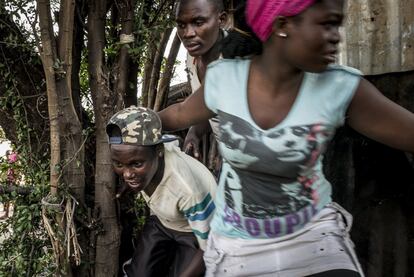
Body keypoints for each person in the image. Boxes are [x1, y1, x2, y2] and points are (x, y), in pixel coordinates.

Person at [159, 0, 414, 276]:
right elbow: (182, 113)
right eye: (326, 24)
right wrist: (138, 121)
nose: (336, 36)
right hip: (240, 244)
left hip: (312, 235)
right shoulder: (226, 79)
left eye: (337, 25)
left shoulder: (341, 88)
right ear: (282, 25)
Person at [106, 106, 217, 277]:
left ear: (158, 152)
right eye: (119, 165)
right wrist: (130, 183)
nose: (127, 174)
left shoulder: (187, 190)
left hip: (192, 231)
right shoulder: (150, 153)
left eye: (136, 164)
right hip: (162, 221)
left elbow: (210, 246)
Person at [175, 0, 227, 162]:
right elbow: (208, 106)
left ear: (221, 20)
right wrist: (195, 131)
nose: (188, 33)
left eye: (198, 22)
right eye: (181, 25)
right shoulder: (192, 57)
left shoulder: (239, 59)